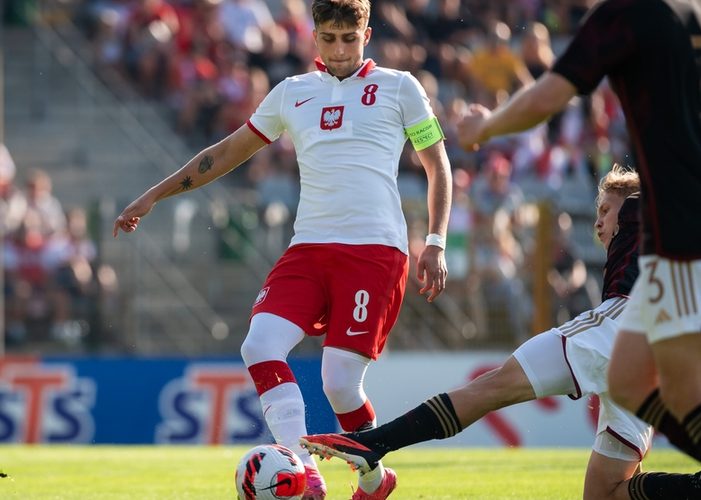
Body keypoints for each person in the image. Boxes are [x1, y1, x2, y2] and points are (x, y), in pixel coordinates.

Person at [112, 0, 453, 498]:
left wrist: (436, 241)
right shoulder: (292, 94)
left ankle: (374, 479)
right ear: (314, 36)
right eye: (329, 38)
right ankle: (305, 473)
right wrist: (154, 195)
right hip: (309, 247)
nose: (339, 50)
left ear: (367, 35)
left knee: (338, 383)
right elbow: (225, 153)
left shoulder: (401, 87)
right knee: (259, 345)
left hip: (374, 251)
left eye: (349, 39)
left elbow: (438, 165)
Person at [450, 1, 701, 497]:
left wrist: (485, 128)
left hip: (686, 232)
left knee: (683, 393)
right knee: (643, 397)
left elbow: (546, 96)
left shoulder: (626, 15)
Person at [302, 165, 701, 500]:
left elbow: (692, 188)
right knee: (607, 492)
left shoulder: (644, 208)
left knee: (492, 386)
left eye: (605, 209)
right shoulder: (653, 243)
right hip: (656, 358)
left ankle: (373, 443)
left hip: (621, 328)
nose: (598, 221)